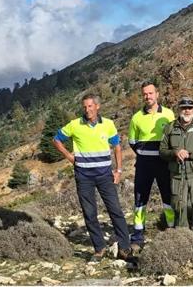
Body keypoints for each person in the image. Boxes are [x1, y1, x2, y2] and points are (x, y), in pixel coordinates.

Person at [52, 93, 134, 262]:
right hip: (83, 176)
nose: (87, 110)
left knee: (116, 210)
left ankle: (125, 248)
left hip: (105, 175)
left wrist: (118, 170)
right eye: (84, 107)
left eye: (90, 106)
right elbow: (56, 139)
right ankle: (99, 249)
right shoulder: (75, 124)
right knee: (90, 213)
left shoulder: (108, 124)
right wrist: (69, 156)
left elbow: (117, 147)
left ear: (97, 106)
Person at [128, 81, 176, 251]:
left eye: (150, 93)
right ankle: (138, 235)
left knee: (168, 197)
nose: (147, 97)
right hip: (144, 165)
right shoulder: (136, 117)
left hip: (164, 163)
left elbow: (174, 138)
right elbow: (132, 141)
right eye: (145, 94)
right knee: (140, 199)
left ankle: (171, 229)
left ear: (157, 94)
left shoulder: (169, 114)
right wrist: (143, 154)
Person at [159, 97, 193, 235]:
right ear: (179, 110)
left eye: (190, 108)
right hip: (177, 175)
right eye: (184, 108)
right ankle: (183, 239)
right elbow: (162, 151)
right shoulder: (170, 127)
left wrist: (189, 154)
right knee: (179, 207)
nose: (187, 111)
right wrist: (175, 153)